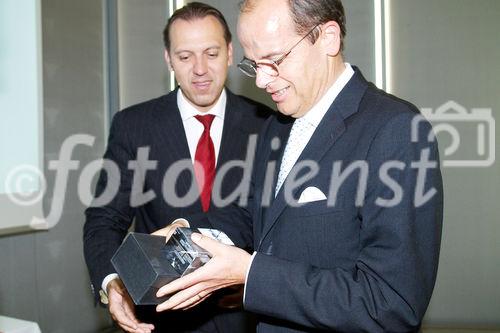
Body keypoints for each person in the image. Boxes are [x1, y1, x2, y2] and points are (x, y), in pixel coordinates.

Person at [153, 0, 444, 332]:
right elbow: (249, 214)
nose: (262, 80)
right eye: (254, 64)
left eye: (274, 61)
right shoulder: (277, 126)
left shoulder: (397, 130)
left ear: (328, 38)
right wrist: (189, 234)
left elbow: (390, 304)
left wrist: (251, 275)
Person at [83, 2, 271, 333]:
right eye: (185, 57)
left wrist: (254, 279)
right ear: (168, 60)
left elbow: (282, 229)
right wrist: (113, 283)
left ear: (230, 52)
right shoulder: (133, 126)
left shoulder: (268, 125)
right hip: (163, 319)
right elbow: (104, 220)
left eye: (211, 54)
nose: (200, 69)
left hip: (247, 318)